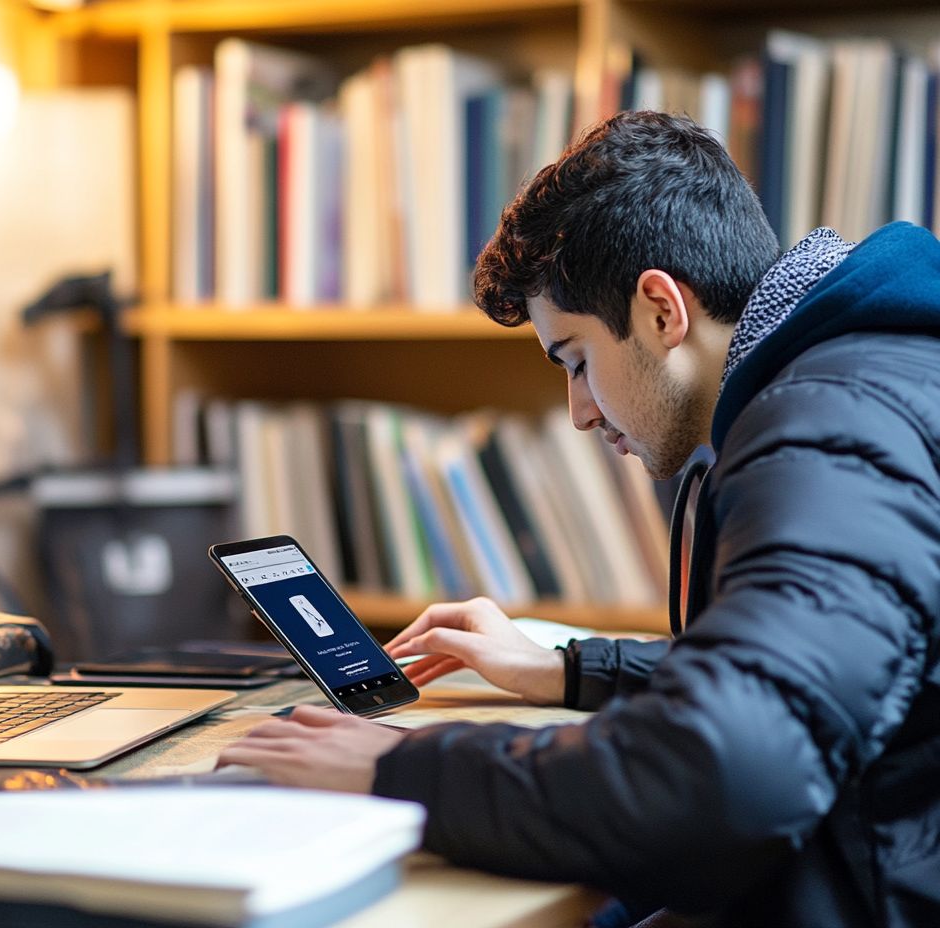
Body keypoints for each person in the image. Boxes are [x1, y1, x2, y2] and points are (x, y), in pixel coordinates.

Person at [217, 111, 940, 926]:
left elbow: (730, 768)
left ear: (662, 310)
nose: (580, 414)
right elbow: (823, 682)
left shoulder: (827, 426)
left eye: (577, 361)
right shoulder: (858, 382)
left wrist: (404, 769)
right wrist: (566, 668)